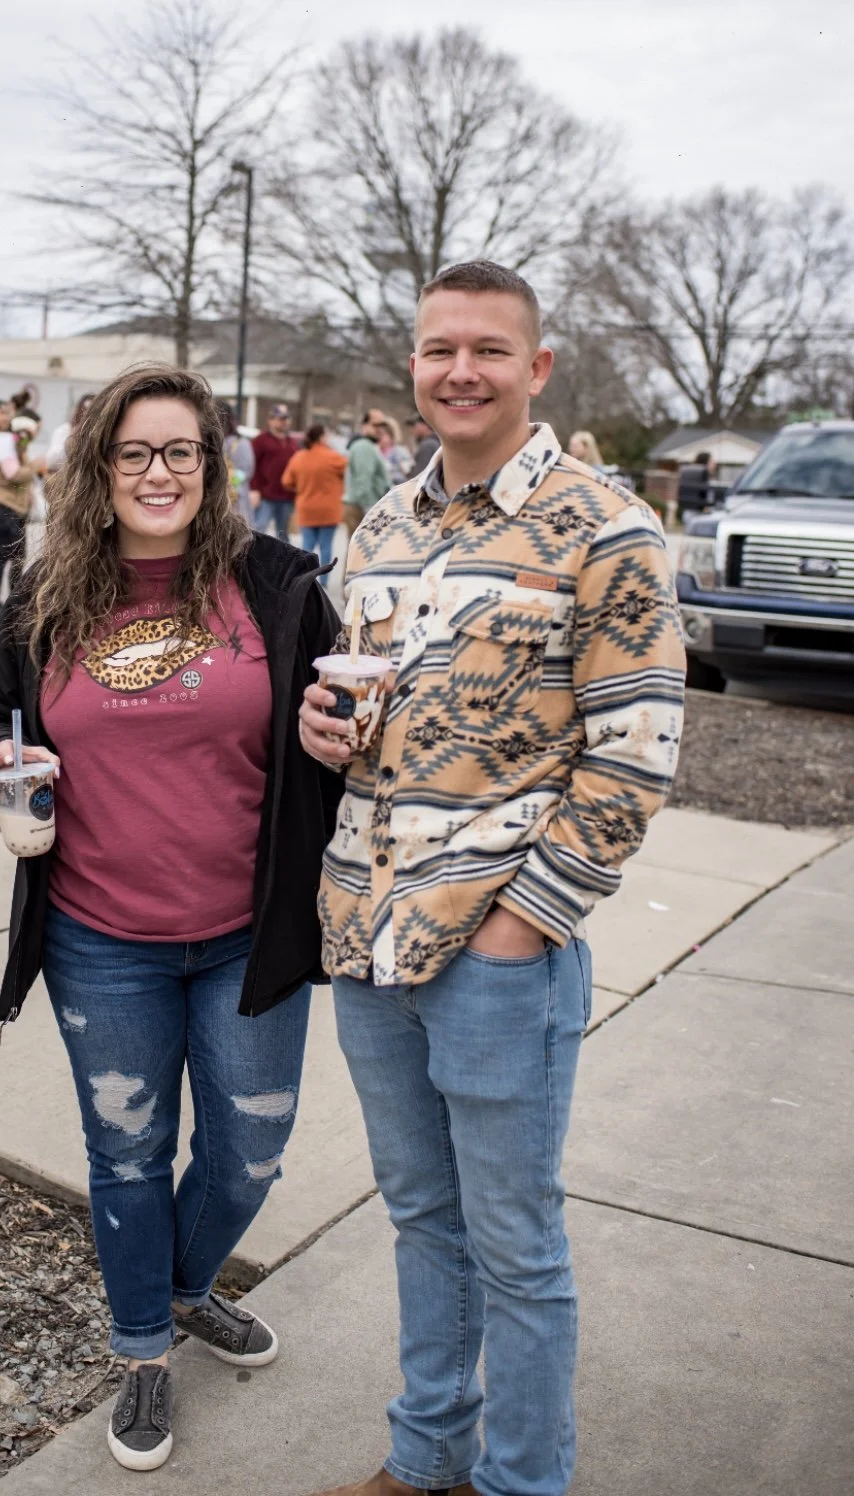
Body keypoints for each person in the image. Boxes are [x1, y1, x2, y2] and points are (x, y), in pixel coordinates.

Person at [299, 260, 685, 1496]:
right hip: (367, 934)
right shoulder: (381, 525)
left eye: (487, 349)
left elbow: (634, 759)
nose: (459, 370)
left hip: (497, 953)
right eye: (437, 349)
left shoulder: (606, 528)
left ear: (537, 367)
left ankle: (520, 1481)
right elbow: (364, 714)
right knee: (421, 1219)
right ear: (411, 364)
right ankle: (424, 1463)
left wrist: (526, 923)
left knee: (516, 1248)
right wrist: (324, 725)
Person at [0, 363, 343, 1473]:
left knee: (249, 1151)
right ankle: (142, 1347)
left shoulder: (274, 584)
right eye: (133, 452)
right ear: (99, 467)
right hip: (100, 936)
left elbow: (332, 711)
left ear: (212, 464)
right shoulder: (44, 596)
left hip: (247, 927)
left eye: (181, 450)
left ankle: (179, 1288)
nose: (158, 472)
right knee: (127, 1153)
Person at [0, 399, 45, 599]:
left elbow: (20, 480)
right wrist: (35, 466)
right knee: (3, 556)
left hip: (15, 509)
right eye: (33, 431)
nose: (32, 437)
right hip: (1, 506)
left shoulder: (19, 446)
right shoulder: (4, 441)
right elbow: (12, 474)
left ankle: (13, 605)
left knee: (18, 558)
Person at [281, 424, 347, 581]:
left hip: (306, 508)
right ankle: (323, 581)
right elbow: (346, 470)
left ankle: (305, 578)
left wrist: (301, 487)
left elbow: (286, 481)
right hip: (328, 510)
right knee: (326, 546)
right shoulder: (333, 457)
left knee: (307, 546)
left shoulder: (299, 457)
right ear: (322, 437)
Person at [249, 402, 298, 539]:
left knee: (283, 534)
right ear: (271, 420)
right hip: (266, 495)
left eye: (286, 418)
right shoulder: (260, 441)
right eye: (280, 418)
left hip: (287, 496)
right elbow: (253, 466)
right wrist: (254, 489)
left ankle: (284, 560)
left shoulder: (292, 443)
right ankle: (256, 559)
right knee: (259, 530)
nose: (284, 422)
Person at [342, 411, 392, 539]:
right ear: (364, 426)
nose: (379, 429)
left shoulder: (368, 446)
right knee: (360, 553)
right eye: (375, 425)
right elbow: (363, 481)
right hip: (361, 506)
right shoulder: (364, 447)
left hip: (361, 505)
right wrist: (369, 510)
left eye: (382, 426)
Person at [218, 400, 256, 525]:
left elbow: (246, 472)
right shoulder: (211, 442)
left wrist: (228, 480)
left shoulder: (241, 444)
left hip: (235, 500)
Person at [46, 393, 96, 472]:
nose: (86, 415)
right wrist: (73, 435)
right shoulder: (64, 430)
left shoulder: (100, 433)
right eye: (84, 410)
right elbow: (51, 461)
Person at [374, 415, 411, 485]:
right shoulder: (374, 451)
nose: (379, 437)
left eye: (382, 434)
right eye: (377, 434)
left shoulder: (401, 452)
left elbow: (408, 473)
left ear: (391, 434)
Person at [405, 414, 439, 479]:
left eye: (414, 425)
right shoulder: (434, 442)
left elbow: (420, 475)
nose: (411, 430)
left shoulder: (427, 445)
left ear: (425, 425)